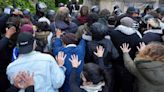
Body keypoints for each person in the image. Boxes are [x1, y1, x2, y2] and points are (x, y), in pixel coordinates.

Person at [110, 17, 142, 92]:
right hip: (130, 63)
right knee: (127, 85)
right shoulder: (136, 36)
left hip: (115, 62)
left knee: (115, 83)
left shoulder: (113, 34)